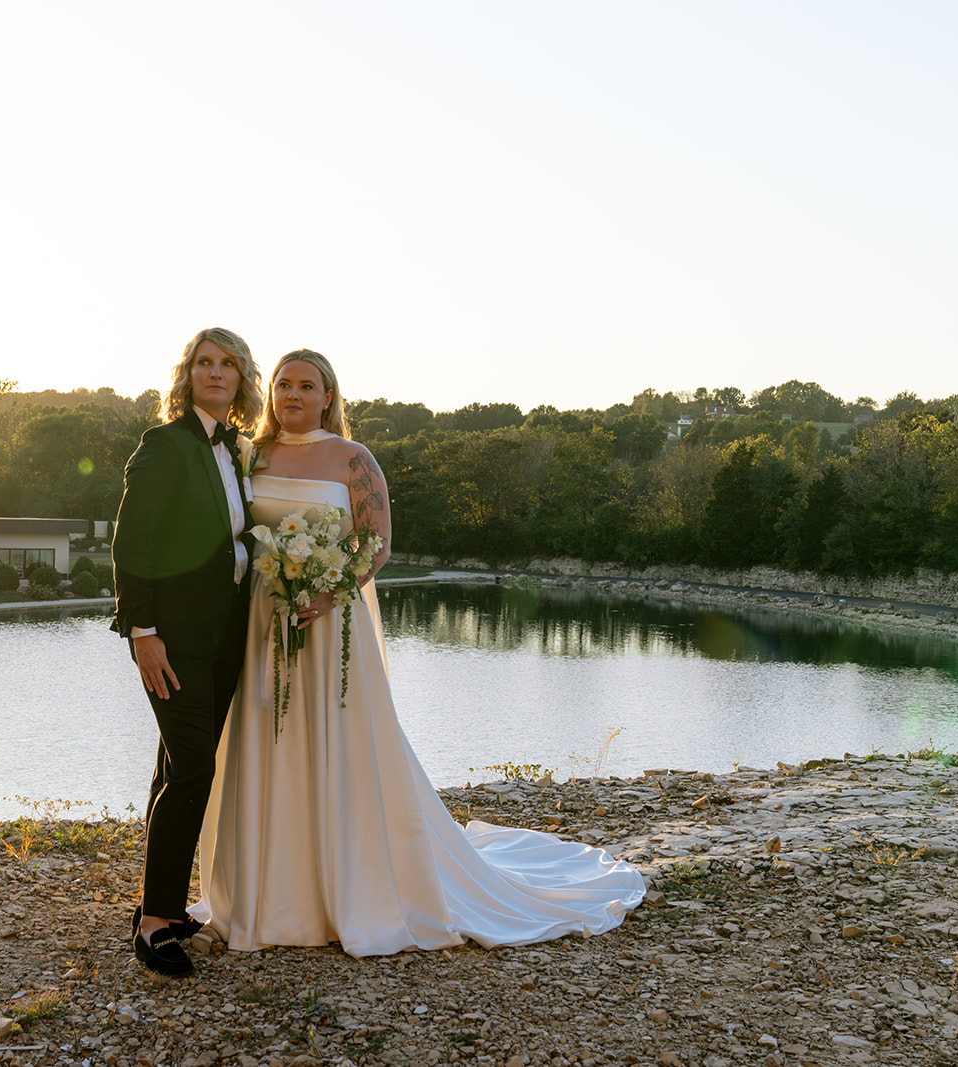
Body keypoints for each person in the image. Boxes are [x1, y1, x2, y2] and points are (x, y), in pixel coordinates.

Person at [190, 350, 648, 957]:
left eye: (307, 385)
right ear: (269, 391)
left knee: (340, 747)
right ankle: (271, 894)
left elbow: (375, 546)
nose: (293, 394)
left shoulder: (355, 460)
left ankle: (349, 888)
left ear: (329, 396)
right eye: (283, 384)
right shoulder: (251, 455)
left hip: (329, 628)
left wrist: (325, 593)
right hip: (263, 624)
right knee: (264, 744)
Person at [111, 327, 264, 976]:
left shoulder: (236, 450)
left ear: (241, 379)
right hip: (171, 640)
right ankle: (154, 927)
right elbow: (132, 542)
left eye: (227, 364)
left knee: (175, 764)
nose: (215, 372)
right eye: (204, 362)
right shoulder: (165, 444)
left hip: (225, 637)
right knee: (194, 768)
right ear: (188, 375)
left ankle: (162, 904)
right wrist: (142, 633)